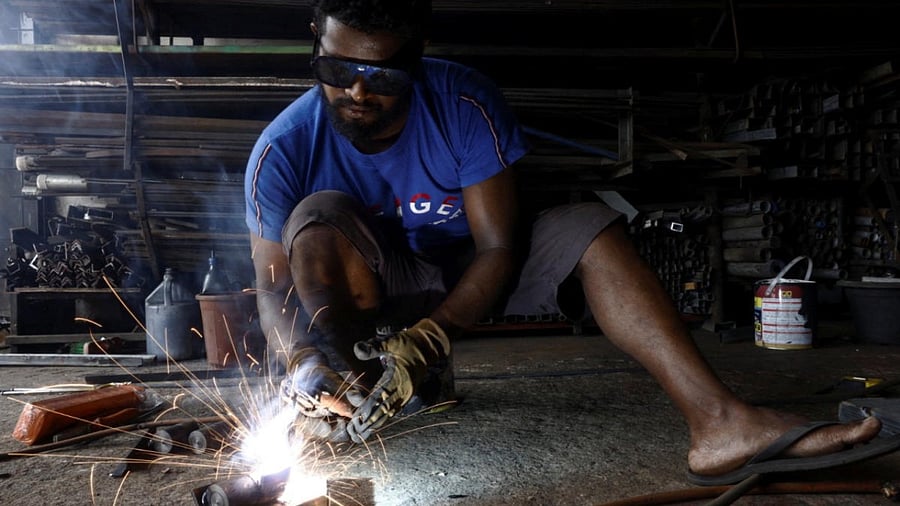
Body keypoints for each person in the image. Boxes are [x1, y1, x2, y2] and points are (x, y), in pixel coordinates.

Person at [245, 0, 887, 485]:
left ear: (416, 56)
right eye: (337, 68)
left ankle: (720, 423)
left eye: (382, 74)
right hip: (375, 299)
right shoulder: (283, 148)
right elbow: (273, 288)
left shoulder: (464, 103)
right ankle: (358, 379)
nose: (357, 90)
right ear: (315, 43)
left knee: (589, 227)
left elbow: (498, 249)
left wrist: (436, 335)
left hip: (475, 271)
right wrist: (303, 357)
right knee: (318, 213)